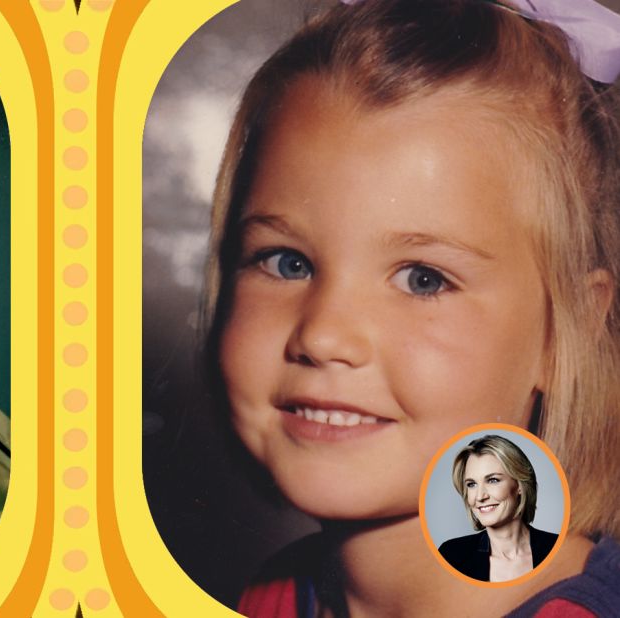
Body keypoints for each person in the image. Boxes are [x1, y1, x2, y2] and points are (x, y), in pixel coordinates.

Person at [197, 0, 620, 615]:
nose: (323, 335)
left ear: (563, 334)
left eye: (423, 279)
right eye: (287, 261)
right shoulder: (269, 596)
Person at [437, 435, 558, 582]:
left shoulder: (558, 549)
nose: (480, 496)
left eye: (493, 480)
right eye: (471, 484)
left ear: (519, 485)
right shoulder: (451, 555)